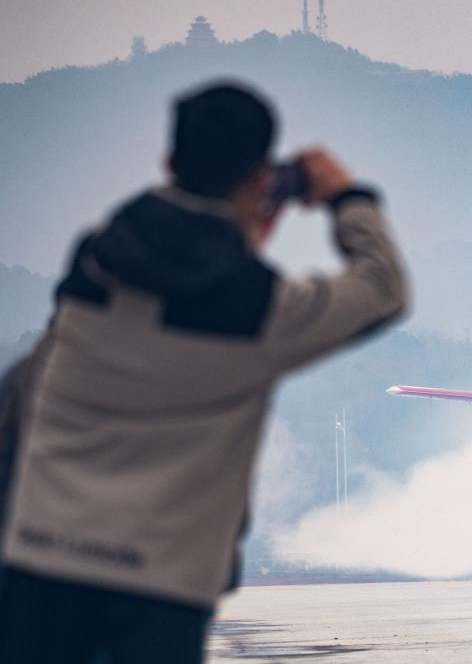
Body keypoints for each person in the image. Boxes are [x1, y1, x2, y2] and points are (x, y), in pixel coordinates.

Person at [0, 82, 407, 663]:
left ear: (169, 163)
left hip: (38, 567)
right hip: (161, 588)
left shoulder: (93, 268)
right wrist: (349, 196)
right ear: (262, 181)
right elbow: (382, 288)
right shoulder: (262, 313)